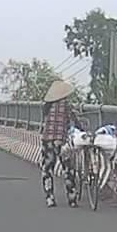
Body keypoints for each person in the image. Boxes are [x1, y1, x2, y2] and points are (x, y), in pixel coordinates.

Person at [40, 80, 86, 208]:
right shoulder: (66, 106)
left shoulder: (46, 107)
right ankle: (72, 199)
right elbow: (74, 121)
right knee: (68, 169)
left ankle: (49, 198)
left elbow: (45, 122)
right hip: (62, 141)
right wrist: (82, 130)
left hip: (47, 140)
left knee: (47, 169)